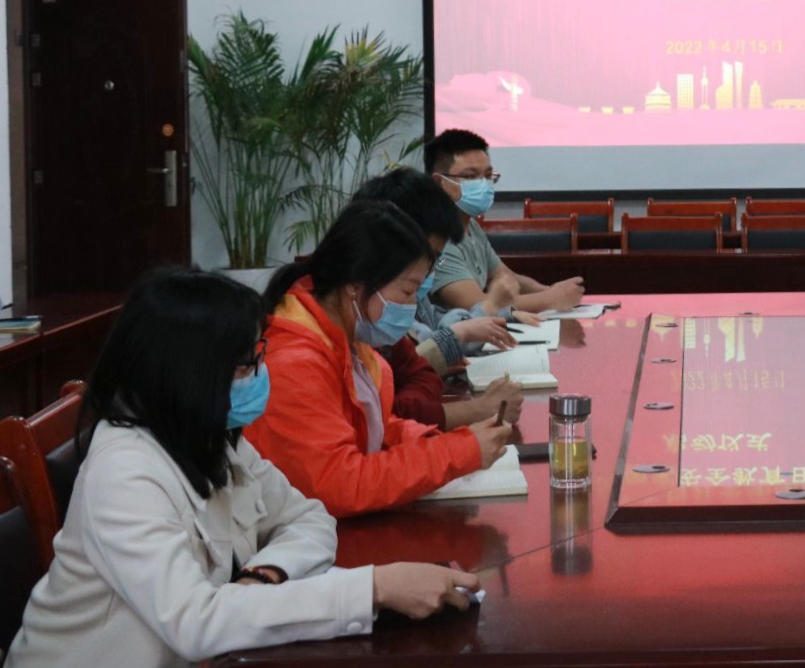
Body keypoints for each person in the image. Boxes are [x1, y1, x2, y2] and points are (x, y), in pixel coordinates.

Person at [7, 268, 483, 668]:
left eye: (258, 356)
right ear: (188, 373)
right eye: (244, 364)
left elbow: (309, 517)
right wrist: (372, 589)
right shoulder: (125, 473)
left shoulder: (209, 436)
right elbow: (196, 621)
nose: (259, 374)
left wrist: (265, 574)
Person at [245, 200, 514, 517]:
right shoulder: (295, 365)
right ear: (355, 289)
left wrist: (445, 443)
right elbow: (340, 484)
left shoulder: (345, 337)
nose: (411, 306)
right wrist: (456, 452)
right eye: (408, 292)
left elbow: (375, 430)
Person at [352, 168, 526, 431]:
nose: (428, 271)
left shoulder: (387, 304)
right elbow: (389, 417)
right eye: (430, 258)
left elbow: (419, 376)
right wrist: (479, 409)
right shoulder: (317, 343)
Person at [425, 129, 585, 313]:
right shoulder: (436, 237)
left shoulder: (471, 226)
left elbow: (503, 277)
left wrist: (549, 290)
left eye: (487, 176)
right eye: (470, 176)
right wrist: (552, 298)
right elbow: (477, 305)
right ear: (440, 182)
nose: (483, 184)